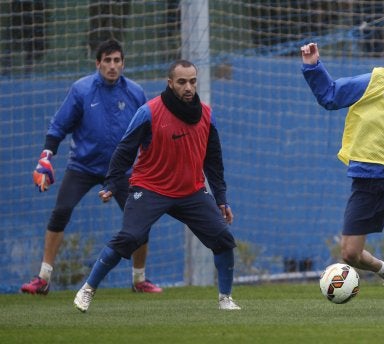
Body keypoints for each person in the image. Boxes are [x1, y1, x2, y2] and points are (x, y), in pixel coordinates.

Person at [73, 59, 240, 312]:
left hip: (191, 191)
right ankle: (87, 289)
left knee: (224, 239)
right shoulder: (149, 111)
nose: (188, 87)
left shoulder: (206, 115)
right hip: (150, 188)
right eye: (182, 82)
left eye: (192, 81)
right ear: (170, 83)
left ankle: (225, 299)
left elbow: (214, 163)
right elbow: (125, 149)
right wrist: (112, 183)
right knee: (130, 237)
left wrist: (221, 199)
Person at [300, 31, 384, 312]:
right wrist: (313, 66)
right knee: (349, 253)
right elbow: (331, 96)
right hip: (364, 175)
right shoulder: (376, 79)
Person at [22, 39, 162, 295]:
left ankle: (139, 280)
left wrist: (150, 164)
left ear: (123, 63)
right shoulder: (81, 90)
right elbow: (58, 126)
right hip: (83, 167)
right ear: (97, 63)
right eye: (107, 60)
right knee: (60, 212)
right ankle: (43, 279)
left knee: (140, 222)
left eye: (116, 60)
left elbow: (148, 134)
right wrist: (46, 156)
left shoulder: (135, 92)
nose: (112, 66)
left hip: (122, 171)